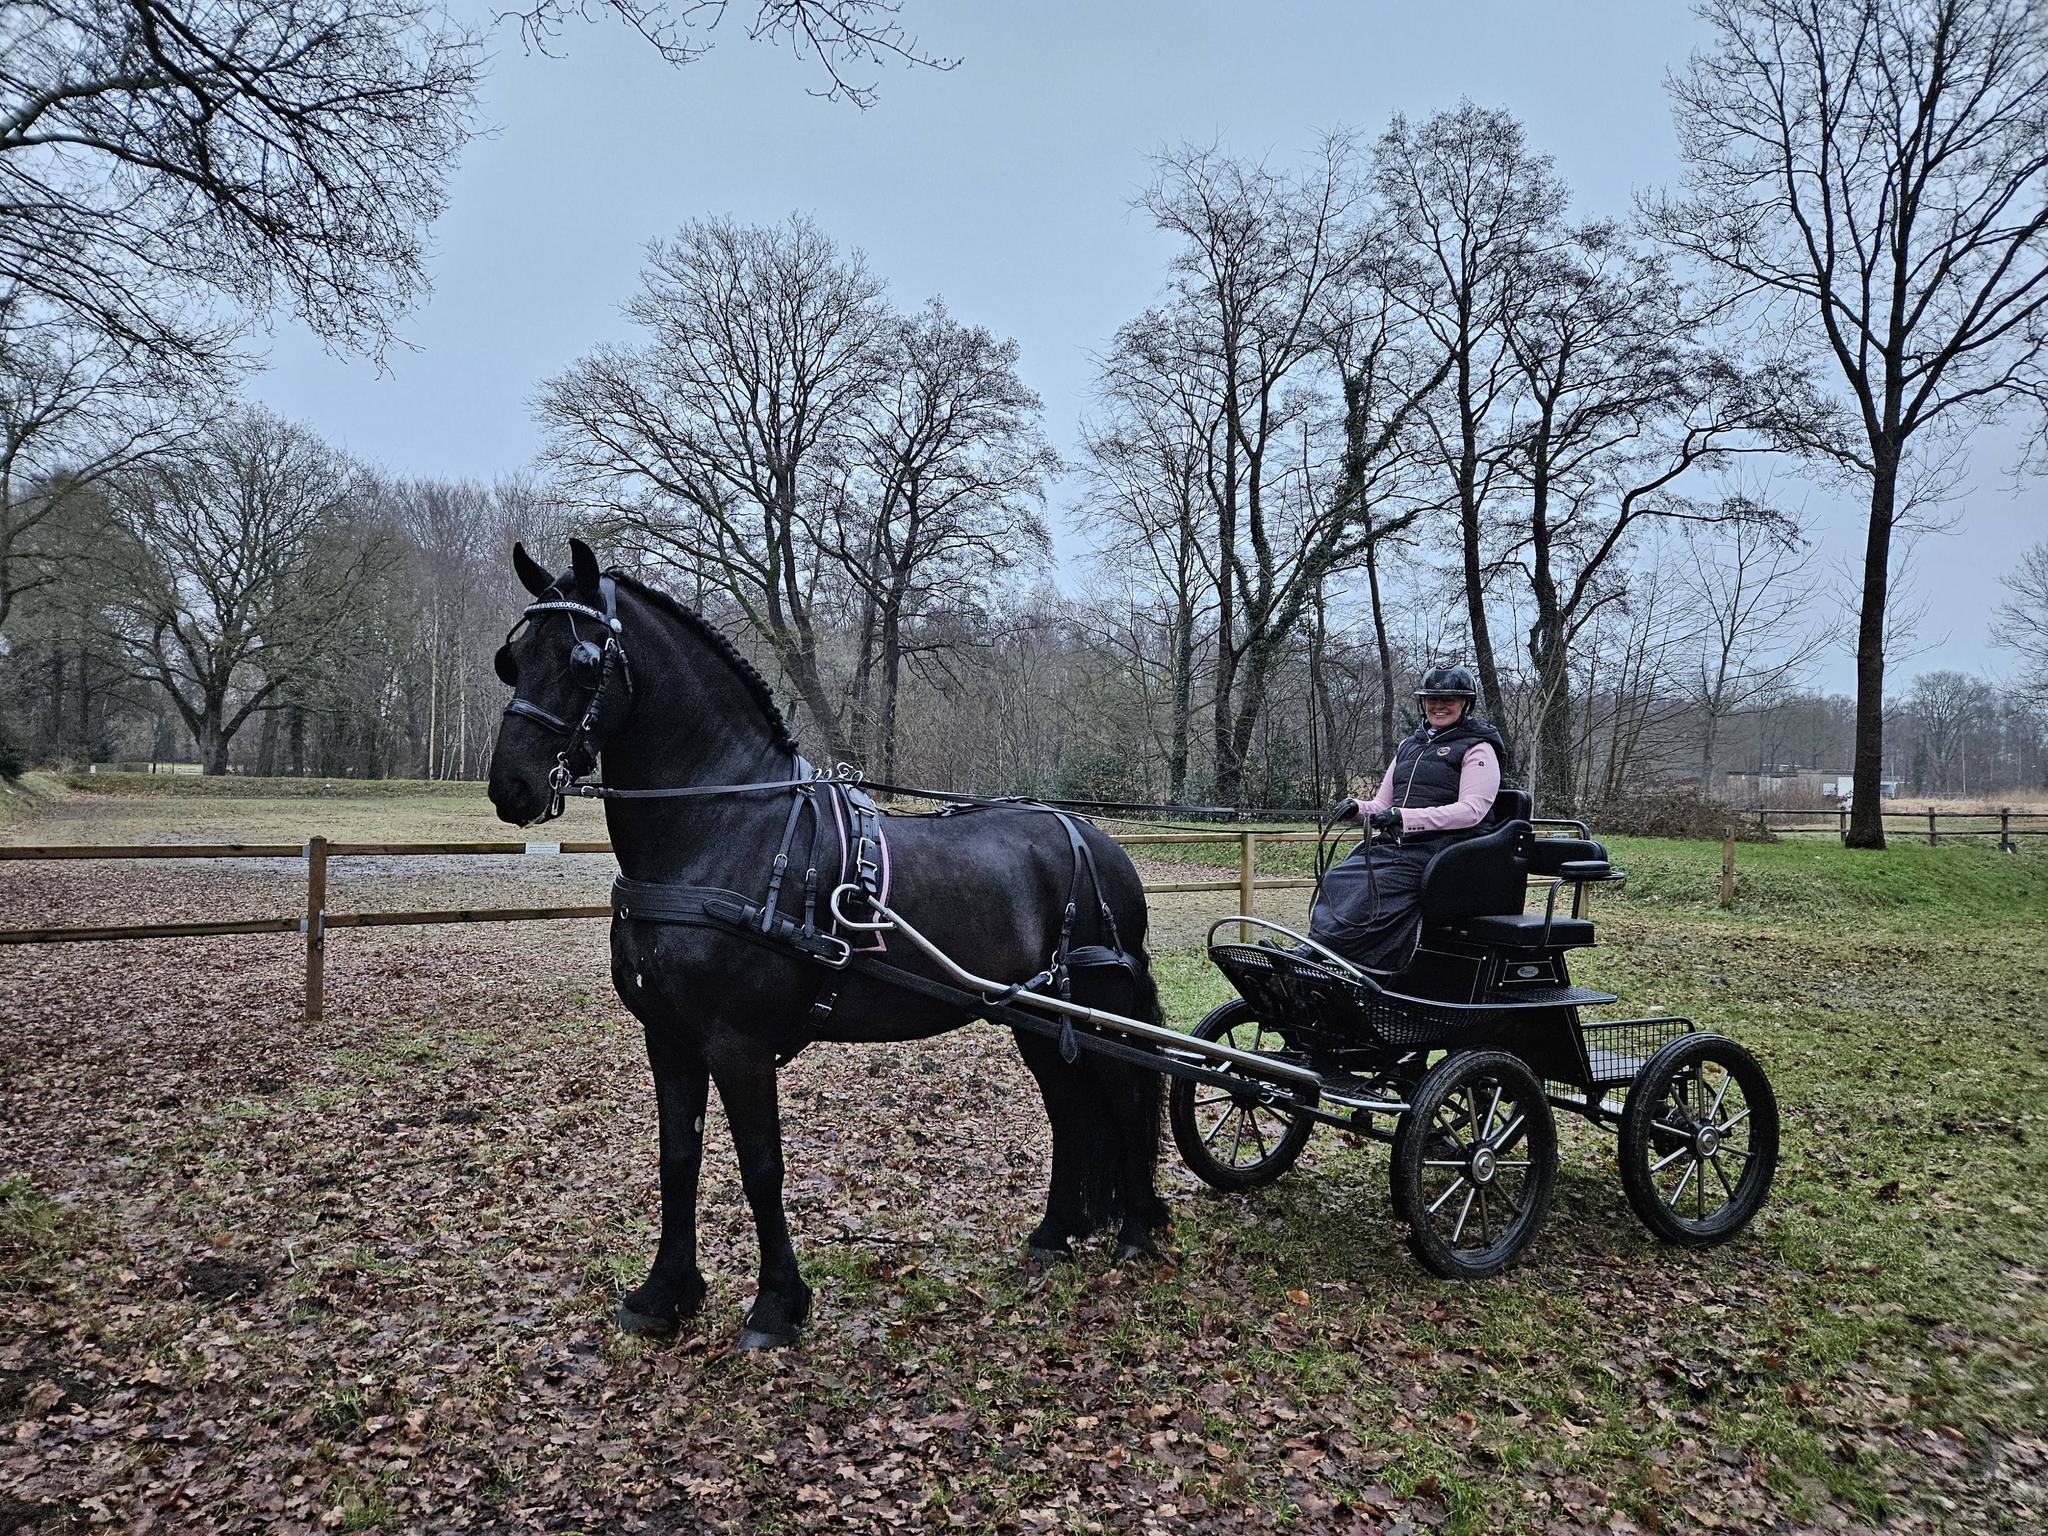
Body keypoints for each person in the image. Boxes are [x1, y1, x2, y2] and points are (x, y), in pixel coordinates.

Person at [1307, 665, 1510, 971]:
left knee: (1376, 887)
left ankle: (1342, 960)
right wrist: (1356, 809)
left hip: (1447, 849)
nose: (1439, 706)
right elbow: (1382, 804)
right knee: (1339, 878)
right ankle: (1319, 950)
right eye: (1432, 699)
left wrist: (1404, 818)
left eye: (1449, 700)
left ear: (1466, 704)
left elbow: (1472, 811)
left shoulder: (1478, 748)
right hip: (1400, 846)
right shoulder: (1408, 747)